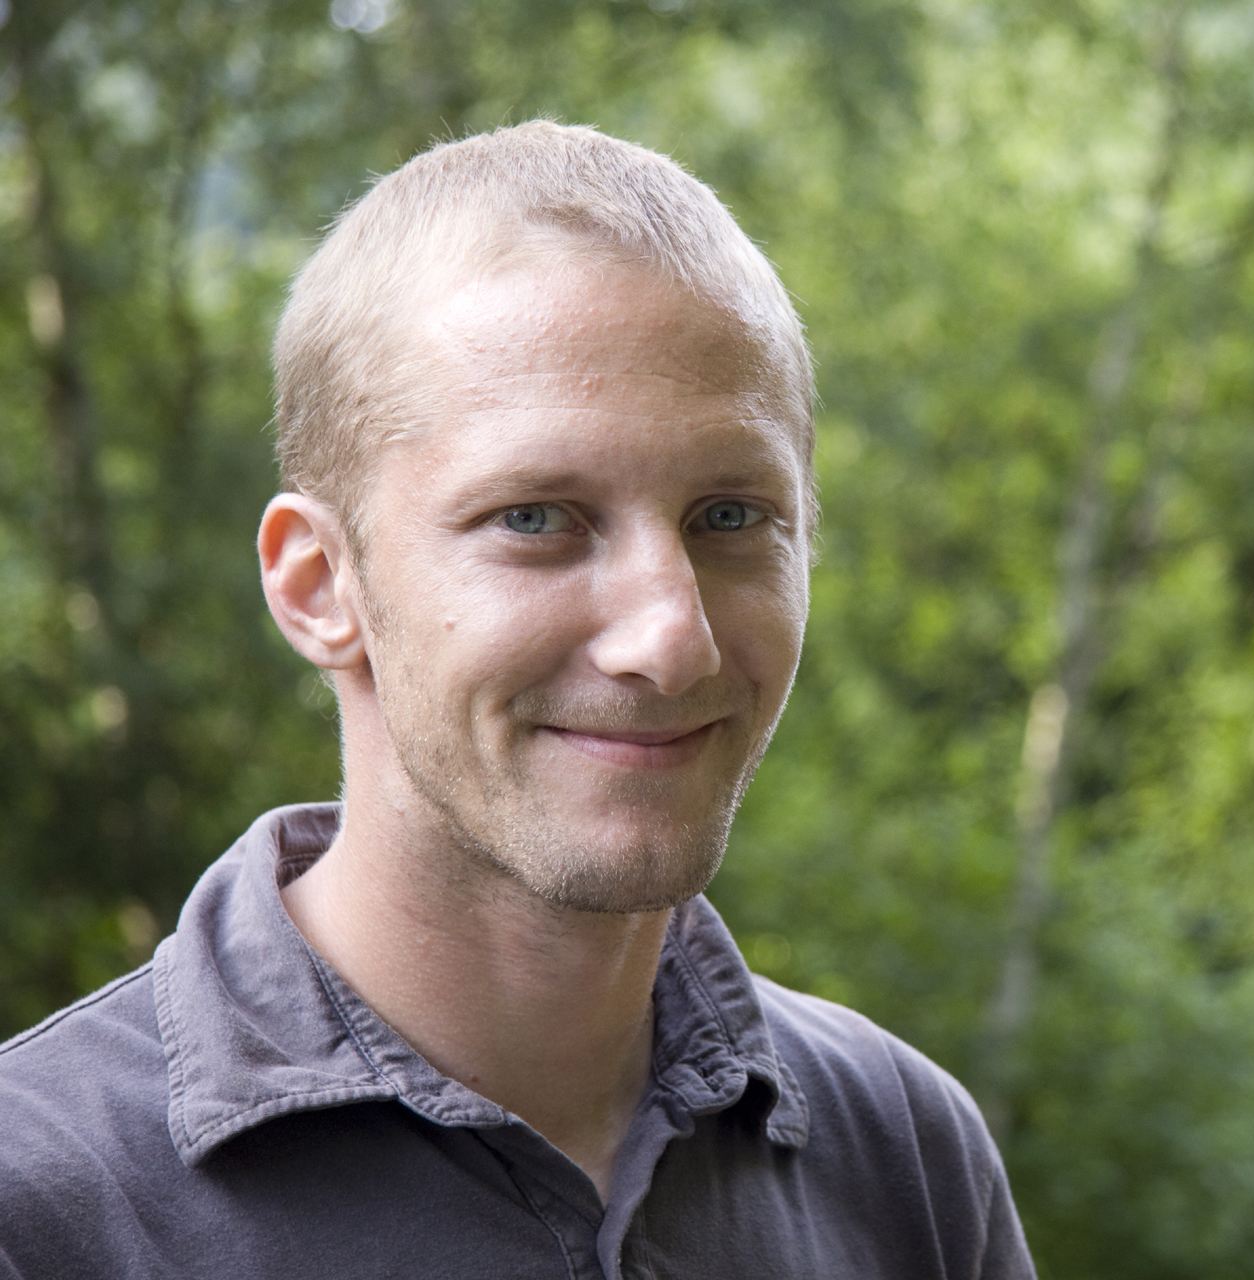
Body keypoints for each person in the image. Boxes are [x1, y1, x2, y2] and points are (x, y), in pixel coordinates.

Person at [0, 121, 1035, 1280]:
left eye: (730, 517)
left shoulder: (905, 1156)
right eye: (536, 519)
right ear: (319, 584)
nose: (672, 638)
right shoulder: (42, 1210)